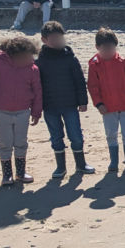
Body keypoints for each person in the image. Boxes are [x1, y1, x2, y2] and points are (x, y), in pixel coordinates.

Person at [0, 36, 42, 185]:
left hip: (23, 112)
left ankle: (20, 173)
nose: (28, 60)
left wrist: (36, 111)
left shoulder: (33, 69)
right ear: (13, 55)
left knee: (21, 142)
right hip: (0, 112)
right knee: (4, 143)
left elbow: (37, 91)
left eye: (30, 57)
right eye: (24, 57)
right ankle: (7, 175)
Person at [35, 21, 93, 178]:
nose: (57, 41)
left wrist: (83, 102)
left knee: (76, 136)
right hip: (49, 107)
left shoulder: (70, 58)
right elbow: (36, 87)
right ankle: (61, 167)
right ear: (44, 40)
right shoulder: (39, 62)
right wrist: (37, 107)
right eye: (53, 38)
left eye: (60, 37)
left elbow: (79, 81)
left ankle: (81, 164)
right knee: (56, 137)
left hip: (70, 105)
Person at [87, 28, 125, 172]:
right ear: (98, 47)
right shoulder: (94, 65)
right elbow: (93, 87)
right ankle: (114, 162)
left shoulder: (123, 62)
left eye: (111, 48)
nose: (109, 51)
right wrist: (99, 104)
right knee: (111, 135)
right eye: (105, 48)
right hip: (108, 107)